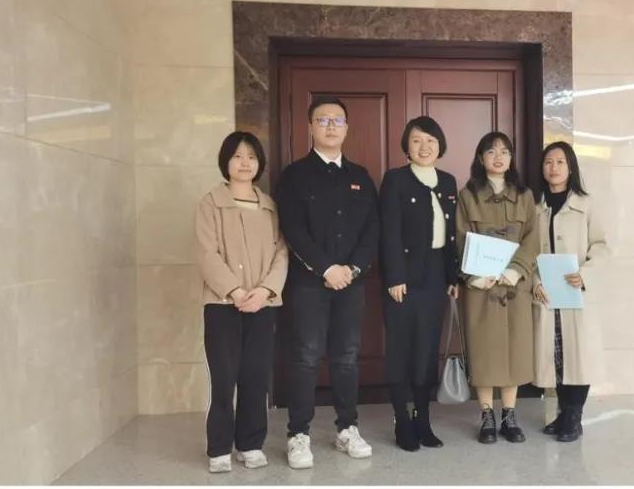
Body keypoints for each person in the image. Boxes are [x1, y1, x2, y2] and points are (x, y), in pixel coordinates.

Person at [274, 95, 379, 468]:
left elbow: (372, 230)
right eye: (323, 120)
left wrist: (353, 269)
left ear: (347, 128)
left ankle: (347, 428)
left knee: (346, 357)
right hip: (308, 284)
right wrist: (325, 268)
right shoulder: (294, 176)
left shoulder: (360, 177)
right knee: (305, 357)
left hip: (351, 283)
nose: (331, 126)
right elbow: (292, 229)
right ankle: (298, 434)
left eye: (337, 120)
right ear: (310, 127)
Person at [195, 131, 288, 473]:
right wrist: (234, 291)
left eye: (251, 156)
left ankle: (250, 443)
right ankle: (219, 447)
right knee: (223, 377)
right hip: (222, 305)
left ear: (259, 163)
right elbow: (206, 254)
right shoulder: (210, 203)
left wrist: (265, 291)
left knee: (255, 376)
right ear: (226, 162)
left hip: (263, 305)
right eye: (237, 156)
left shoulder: (270, 206)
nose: (245, 162)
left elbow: (281, 253)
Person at [378, 116, 461, 452]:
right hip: (404, 277)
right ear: (406, 147)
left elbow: (451, 234)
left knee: (427, 351)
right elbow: (389, 232)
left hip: (436, 275)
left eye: (430, 140)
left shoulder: (448, 181)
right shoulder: (395, 179)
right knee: (401, 349)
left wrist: (453, 277)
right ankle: (402, 420)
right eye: (416, 140)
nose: (424, 147)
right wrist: (394, 276)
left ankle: (423, 420)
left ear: (440, 145)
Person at [455, 131, 540, 444]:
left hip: (514, 286)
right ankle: (487, 416)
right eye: (491, 151)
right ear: (481, 158)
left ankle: (509, 415)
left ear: (511, 158)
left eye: (505, 151)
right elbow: (460, 237)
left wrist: (516, 271)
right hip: (482, 287)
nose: (498, 157)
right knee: (485, 351)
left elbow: (532, 238)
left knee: (514, 350)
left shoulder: (525, 195)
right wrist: (474, 276)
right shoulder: (468, 195)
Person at [531, 141, 609, 442]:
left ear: (571, 167)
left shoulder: (586, 204)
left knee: (579, 356)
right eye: (548, 162)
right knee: (558, 356)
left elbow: (602, 246)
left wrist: (585, 274)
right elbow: (528, 251)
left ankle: (574, 417)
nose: (554, 167)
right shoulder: (535, 207)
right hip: (548, 293)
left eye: (560, 162)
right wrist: (535, 282)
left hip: (576, 292)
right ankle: (563, 413)